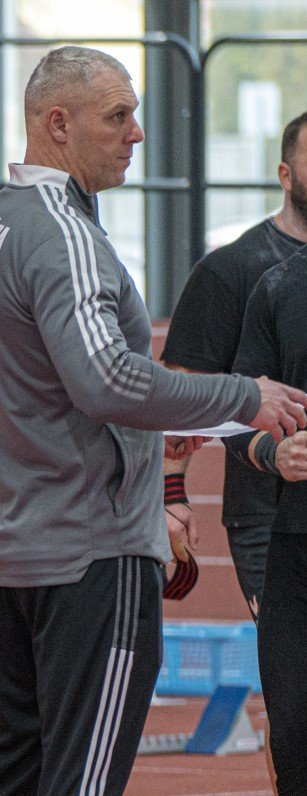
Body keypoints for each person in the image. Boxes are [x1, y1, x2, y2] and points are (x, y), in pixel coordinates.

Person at [0, 46, 307, 796]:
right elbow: (105, 377)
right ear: (53, 125)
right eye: (116, 116)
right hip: (87, 551)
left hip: (15, 547)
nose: (135, 134)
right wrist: (243, 397)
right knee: (79, 787)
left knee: (5, 786)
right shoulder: (56, 229)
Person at [161, 110, 307, 615]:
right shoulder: (234, 270)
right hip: (268, 518)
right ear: (285, 175)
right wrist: (171, 493)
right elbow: (180, 393)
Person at [226, 247, 307, 796]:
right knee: (295, 735)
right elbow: (232, 421)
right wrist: (271, 449)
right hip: (296, 551)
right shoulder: (279, 288)